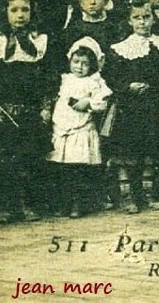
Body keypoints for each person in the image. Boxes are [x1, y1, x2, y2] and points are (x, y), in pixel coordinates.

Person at [0, 0, 60, 222]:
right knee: (4, 160)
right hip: (4, 110)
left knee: (30, 158)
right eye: (14, 10)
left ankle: (30, 205)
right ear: (6, 13)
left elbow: (49, 79)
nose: (20, 15)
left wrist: (46, 106)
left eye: (25, 10)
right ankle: (8, 207)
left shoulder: (39, 42)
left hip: (31, 110)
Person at [104, 0, 159, 214]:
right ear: (129, 21)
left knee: (152, 152)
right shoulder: (121, 49)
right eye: (137, 18)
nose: (142, 22)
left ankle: (149, 194)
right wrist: (127, 86)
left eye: (146, 17)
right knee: (130, 154)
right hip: (130, 109)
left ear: (153, 19)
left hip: (154, 107)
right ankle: (130, 196)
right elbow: (110, 77)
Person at [47, 37, 112, 218]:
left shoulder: (94, 81)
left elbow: (102, 103)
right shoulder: (65, 79)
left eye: (85, 63)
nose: (79, 67)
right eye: (76, 62)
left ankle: (79, 203)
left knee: (78, 168)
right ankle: (64, 203)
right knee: (63, 168)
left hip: (81, 128)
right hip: (62, 128)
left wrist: (88, 102)